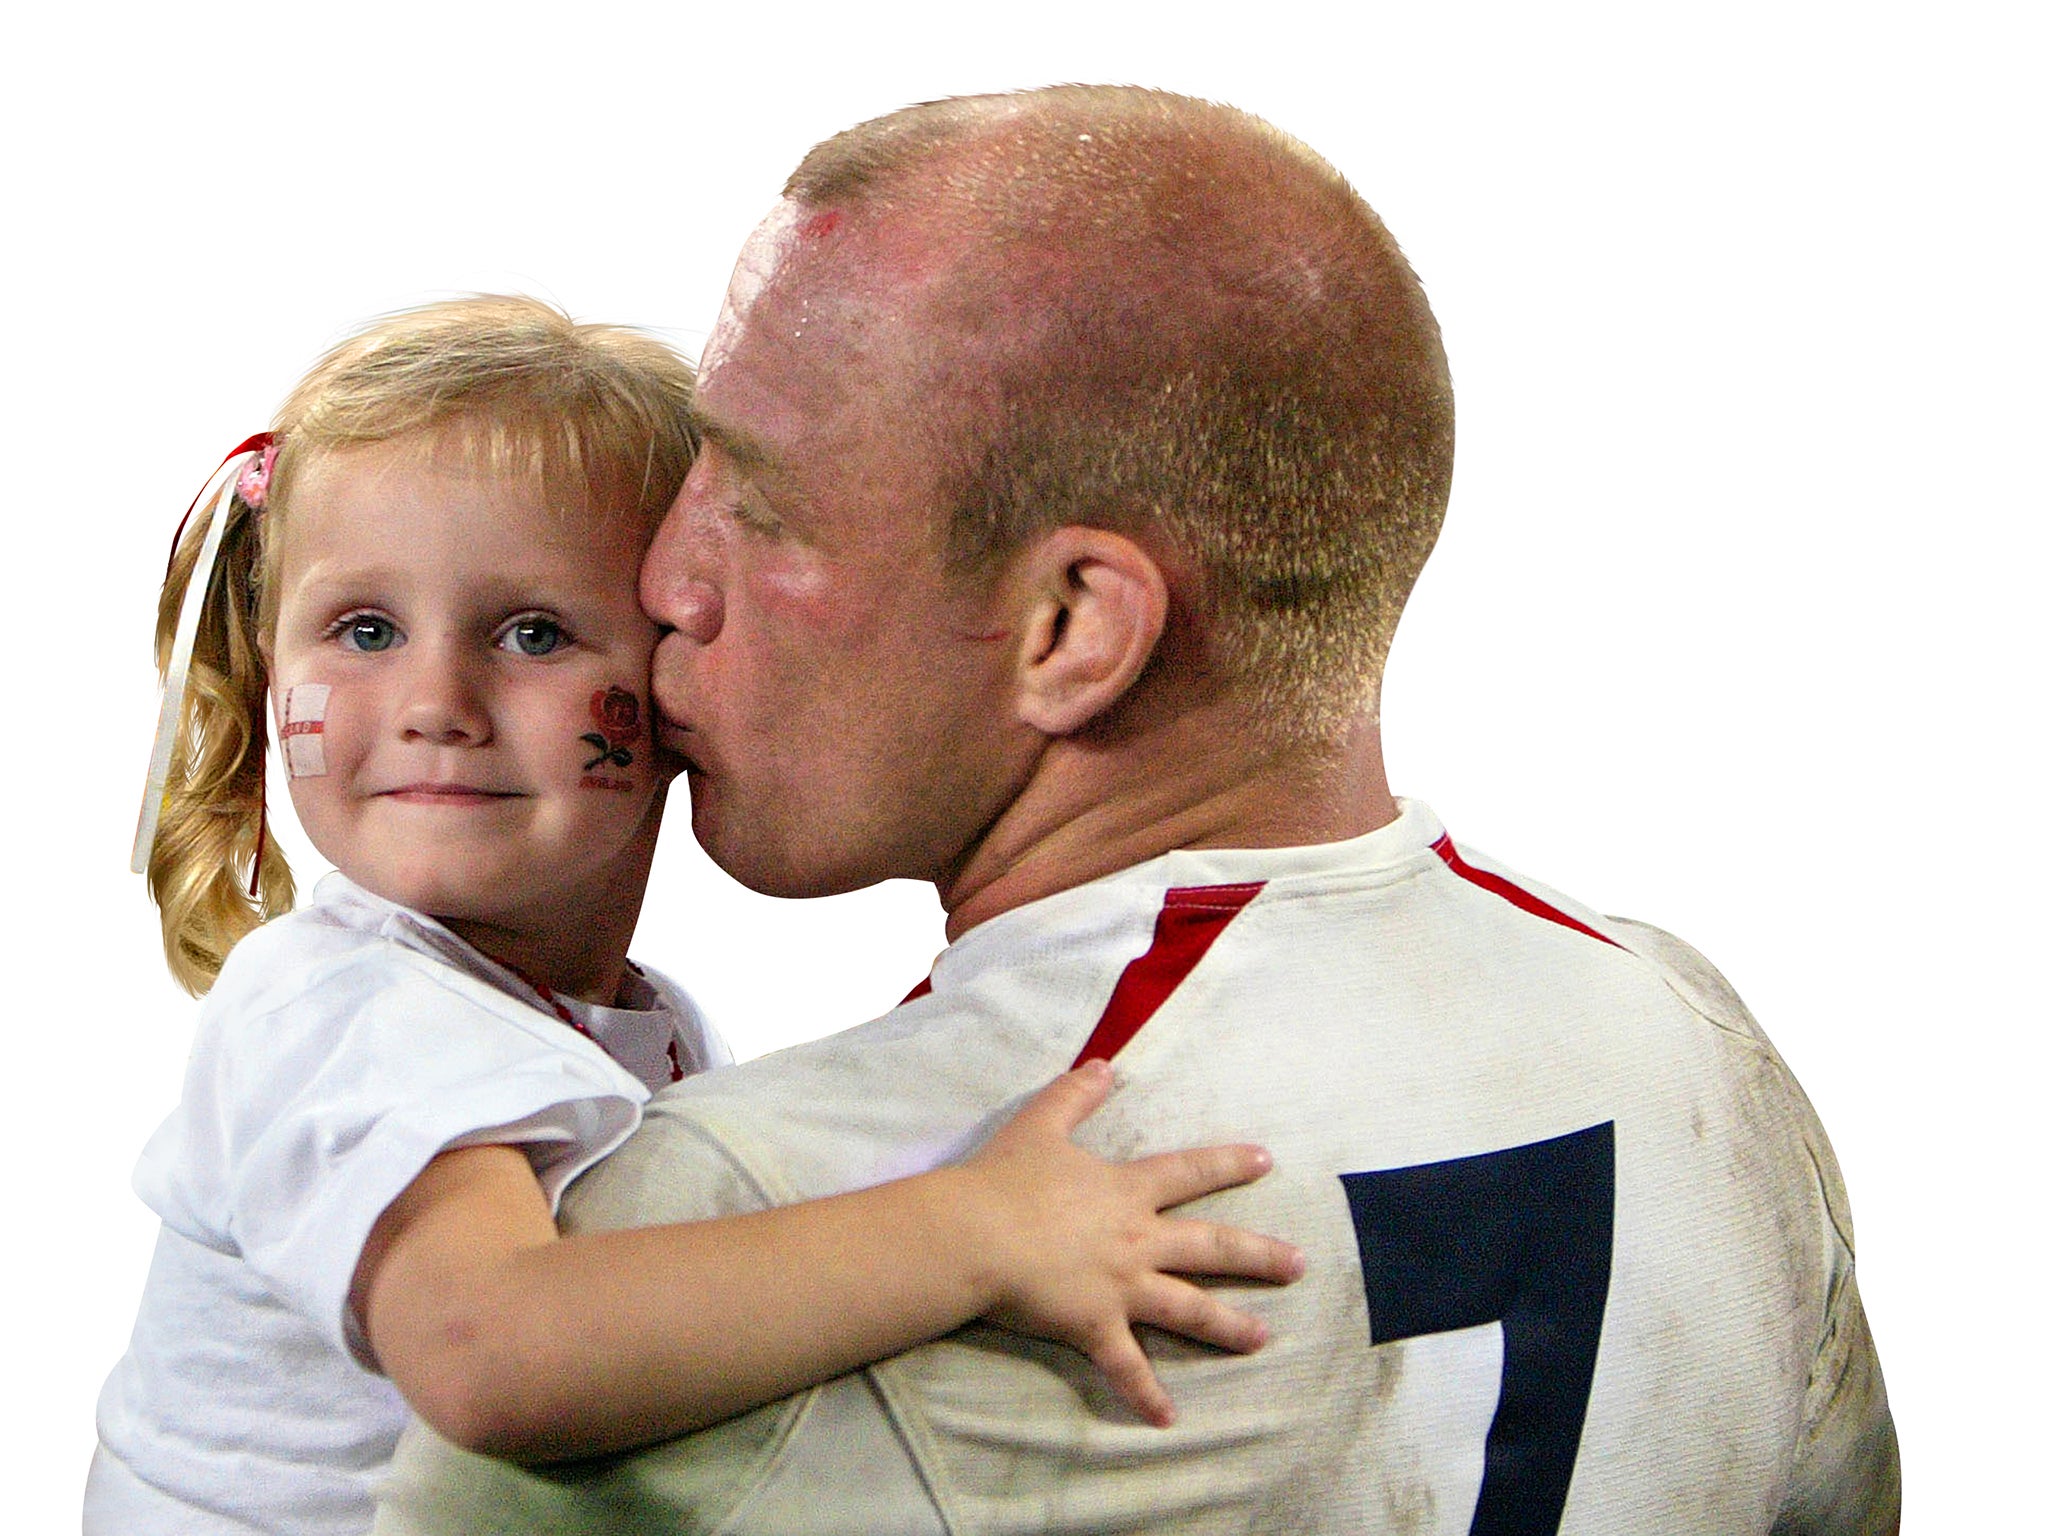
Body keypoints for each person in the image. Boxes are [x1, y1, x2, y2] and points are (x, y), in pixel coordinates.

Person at [377, 89, 1901, 1535]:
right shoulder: (1696, 1040)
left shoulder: (735, 1226)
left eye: (764, 508)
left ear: (1071, 634)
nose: (663, 581)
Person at [86, 294, 1304, 1536]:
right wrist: (976, 1232)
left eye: (531, 632)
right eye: (364, 629)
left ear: (675, 680)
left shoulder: (641, 1024)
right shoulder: (347, 1003)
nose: (435, 702)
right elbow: (490, 1351)